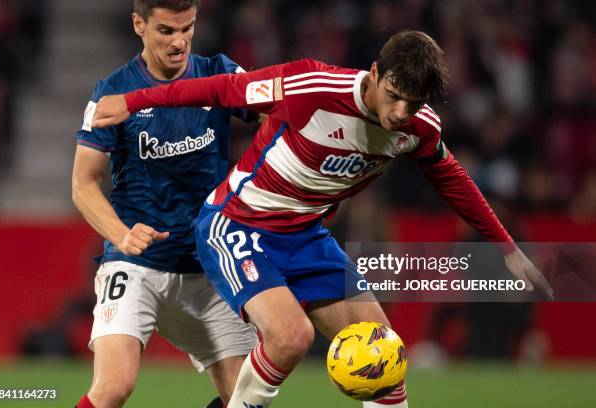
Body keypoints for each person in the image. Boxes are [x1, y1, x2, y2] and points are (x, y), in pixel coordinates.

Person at [92, 30, 554, 408]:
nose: (398, 114)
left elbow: (452, 179)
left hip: (307, 236)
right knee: (292, 338)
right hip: (237, 223)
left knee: (383, 356)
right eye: (393, 96)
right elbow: (221, 89)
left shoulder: (419, 127)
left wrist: (508, 249)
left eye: (412, 105)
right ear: (375, 74)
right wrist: (134, 102)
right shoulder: (311, 86)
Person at [72, 1, 258, 407]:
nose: (180, 42)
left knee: (247, 400)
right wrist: (121, 234)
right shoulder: (113, 92)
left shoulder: (219, 73)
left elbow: (277, 110)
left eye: (187, 28)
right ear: (139, 24)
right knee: (112, 388)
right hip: (137, 264)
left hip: (209, 266)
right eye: (166, 31)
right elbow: (83, 184)